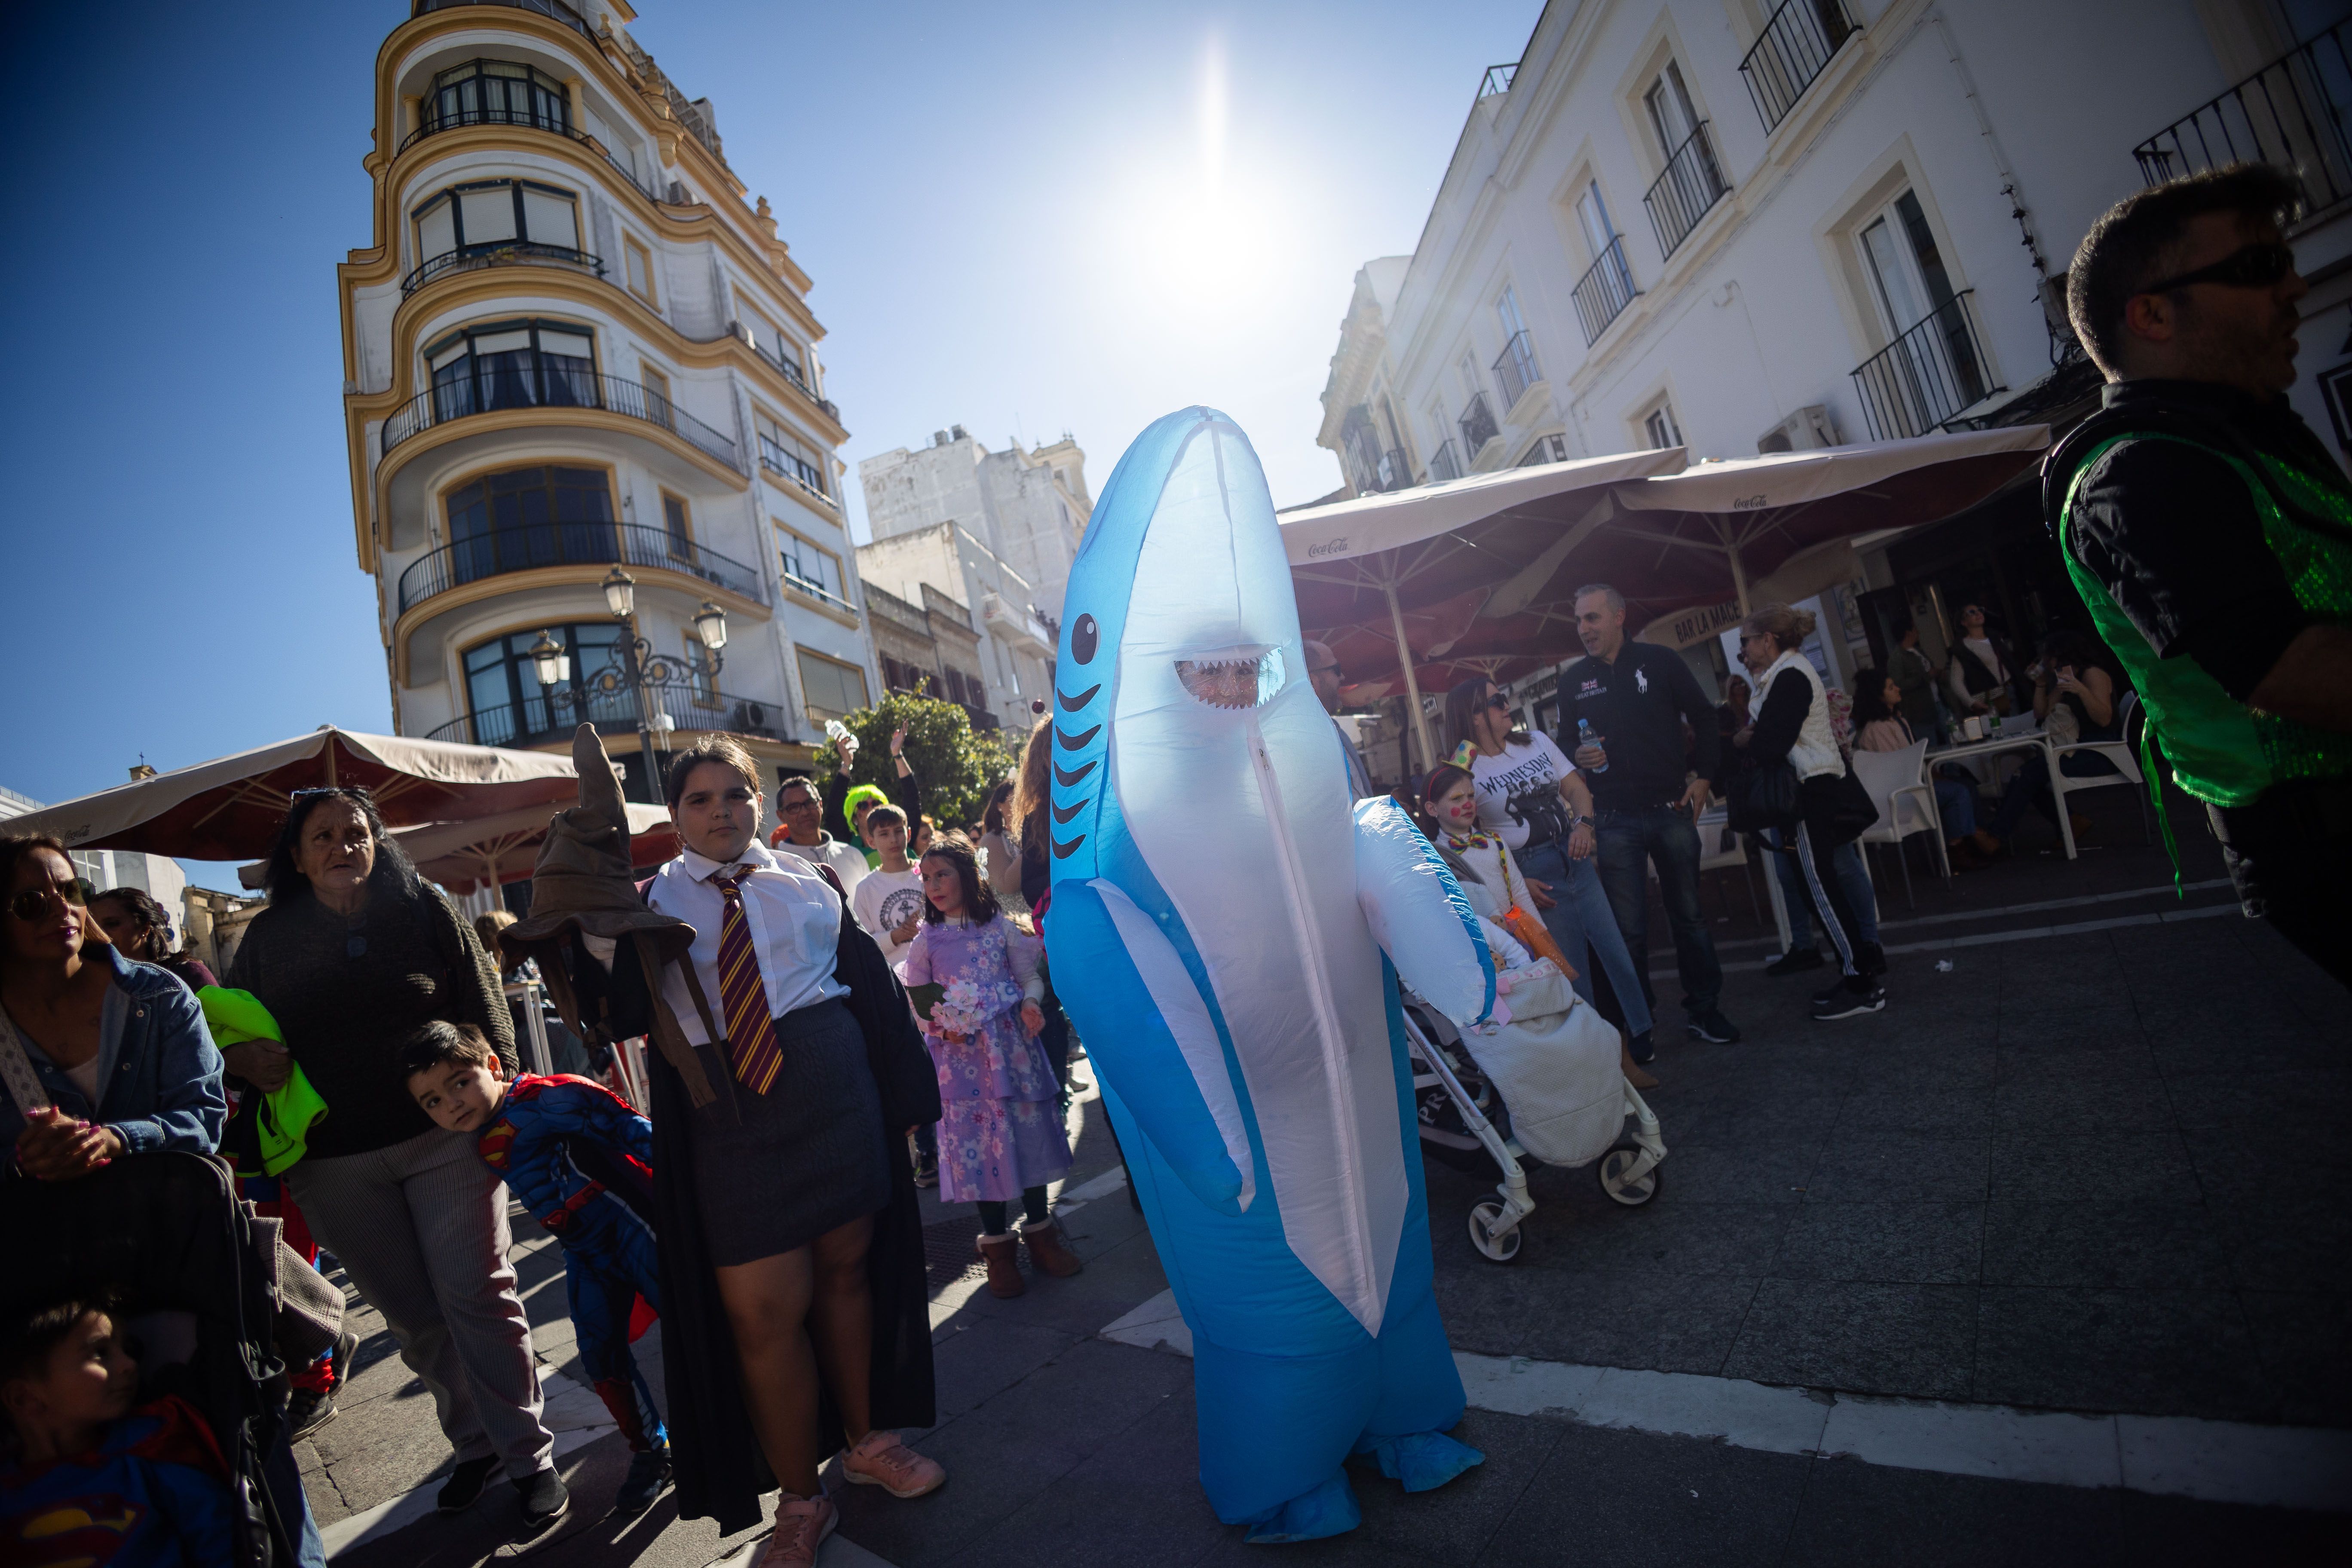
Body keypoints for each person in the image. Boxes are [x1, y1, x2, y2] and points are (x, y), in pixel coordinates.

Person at [221, 789, 564, 1529]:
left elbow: (484, 997)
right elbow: (225, 1026)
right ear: (297, 855)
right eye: (322, 836)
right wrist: (245, 1057)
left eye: (357, 832)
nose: (343, 845)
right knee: (413, 1314)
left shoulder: (423, 906)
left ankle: (529, 1454)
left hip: (445, 1138)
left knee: (476, 1287)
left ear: (378, 840)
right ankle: (473, 1442)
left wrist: (502, 1091)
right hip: (332, 1161)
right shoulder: (266, 940)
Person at [639, 736, 944, 1562]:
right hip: (730, 1124)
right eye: (700, 798)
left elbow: (870, 986)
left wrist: (907, 1097)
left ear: (757, 803)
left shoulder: (808, 878)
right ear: (675, 815)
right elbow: (612, 1005)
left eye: (735, 794)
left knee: (847, 1276)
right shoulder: (642, 902)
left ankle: (866, 1441)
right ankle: (801, 1501)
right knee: (762, 1313)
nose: (721, 811)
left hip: (835, 1095)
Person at [2050, 164, 2352, 983]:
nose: (2292, 285)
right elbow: (2281, 666)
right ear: (2148, 314)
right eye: (2257, 269)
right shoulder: (2137, 472)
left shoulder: (2240, 432)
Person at [401, 1021, 672, 1519]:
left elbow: (647, 1138)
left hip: (630, 1224)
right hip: (584, 1250)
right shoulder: (480, 1138)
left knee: (699, 1329)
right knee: (599, 1354)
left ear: (493, 1066)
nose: (452, 1103)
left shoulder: (554, 1098)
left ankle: (744, 1424)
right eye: (433, 1101)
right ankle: (653, 1452)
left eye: (459, 1082)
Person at [1438, 677, 1655, 1065]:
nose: (1507, 706)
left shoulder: (1536, 740)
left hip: (1573, 856)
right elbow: (1463, 834)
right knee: (1567, 966)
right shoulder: (1466, 766)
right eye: (1495, 702)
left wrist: (1585, 824)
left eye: (1503, 698)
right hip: (1531, 869)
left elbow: (1577, 789)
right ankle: (1599, 1052)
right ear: (1471, 717)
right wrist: (1515, 883)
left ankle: (1640, 1033)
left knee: (1614, 949)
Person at [1559, 584, 1740, 1044]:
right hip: (1613, 819)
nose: (1584, 629)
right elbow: (1561, 746)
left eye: (1592, 618)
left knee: (1690, 918)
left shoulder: (1660, 661)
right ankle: (1639, 1024)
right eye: (1579, 621)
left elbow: (1705, 716)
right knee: (1629, 932)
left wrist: (1705, 776)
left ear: (1620, 617)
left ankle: (1704, 1009)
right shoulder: (1574, 679)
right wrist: (1578, 754)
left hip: (1670, 808)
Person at [900, 835, 1078, 1298]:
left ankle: (1042, 1234)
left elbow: (1028, 976)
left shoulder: (999, 928)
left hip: (1014, 1055)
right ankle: (998, 1251)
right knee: (982, 1150)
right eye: (929, 877)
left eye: (945, 874)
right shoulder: (927, 941)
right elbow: (919, 998)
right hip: (963, 1067)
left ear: (968, 877)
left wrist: (1032, 1004)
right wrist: (943, 1026)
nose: (935, 885)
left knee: (1027, 1141)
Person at [2, 834, 226, 1180]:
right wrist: (22, 1163)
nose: (64, 910)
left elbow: (204, 1116)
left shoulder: (159, 995)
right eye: (31, 903)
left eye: (72, 891)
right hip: (42, 1232)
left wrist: (116, 1139)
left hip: (164, 1223)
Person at [1, 1296, 236, 1565]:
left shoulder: (151, 1453)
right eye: (100, 1353)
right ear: (24, 1398)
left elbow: (223, 1541)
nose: (130, 1364)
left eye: (128, 1349)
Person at [1734, 607, 1886, 1019]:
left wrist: (1744, 740)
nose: (1742, 651)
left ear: (1768, 639)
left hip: (1809, 788)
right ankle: (1859, 967)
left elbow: (1771, 742)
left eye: (1745, 642)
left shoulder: (1790, 677)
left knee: (1820, 884)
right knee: (1821, 881)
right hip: (1814, 786)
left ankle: (1860, 983)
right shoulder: (1787, 674)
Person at [1987, 631, 2124, 851]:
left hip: (2101, 750)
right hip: (2077, 749)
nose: (2048, 663)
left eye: (2049, 657)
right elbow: (2041, 713)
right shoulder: (2066, 677)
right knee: (2026, 776)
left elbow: (2104, 718)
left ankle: (1995, 837)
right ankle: (2071, 822)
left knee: (2029, 774)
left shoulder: (2092, 674)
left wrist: (2081, 691)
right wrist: (2042, 684)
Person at [1851, 667, 1998, 870]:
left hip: (1913, 781)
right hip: (1901, 792)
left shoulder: (1897, 720)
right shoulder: (1877, 729)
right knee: (1958, 792)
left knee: (1967, 785)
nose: (1898, 689)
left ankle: (1973, 840)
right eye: (1891, 687)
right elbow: (1895, 769)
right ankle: (1957, 848)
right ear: (1879, 697)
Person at [86, 888, 215, 994]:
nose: (99, 933)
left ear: (145, 929)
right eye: (92, 927)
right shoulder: (92, 981)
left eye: (112, 924)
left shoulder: (188, 973)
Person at [849, 805, 926, 972]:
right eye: (884, 834)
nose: (893, 839)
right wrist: (896, 936)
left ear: (909, 834)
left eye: (899, 831)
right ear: (871, 841)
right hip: (894, 977)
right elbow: (863, 945)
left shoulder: (930, 873)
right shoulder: (866, 888)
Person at [771, 774, 869, 897]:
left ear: (821, 805)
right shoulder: (775, 868)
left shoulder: (853, 855)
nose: (805, 812)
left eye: (810, 803)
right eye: (794, 808)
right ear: (781, 816)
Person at [1305, 639, 1375, 798]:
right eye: (1336, 670)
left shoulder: (1334, 729)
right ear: (1312, 681)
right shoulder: (1298, 741)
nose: (1342, 677)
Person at [1944, 603, 2018, 718]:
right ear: (1964, 622)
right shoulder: (1963, 648)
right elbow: (1956, 681)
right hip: (1991, 699)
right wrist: (1971, 703)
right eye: (1972, 613)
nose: (1978, 613)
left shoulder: (1995, 637)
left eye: (1979, 610)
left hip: (2011, 690)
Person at [976, 782, 1026, 913]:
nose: (1022, 805)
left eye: (1025, 798)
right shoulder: (991, 840)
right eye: (1015, 800)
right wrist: (1032, 845)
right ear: (999, 806)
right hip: (1011, 924)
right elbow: (1007, 885)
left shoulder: (1034, 837)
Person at [1889, 625, 1940, 733]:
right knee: (1931, 743)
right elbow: (1899, 684)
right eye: (1915, 630)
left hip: (1937, 702)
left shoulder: (1918, 650)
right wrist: (1926, 677)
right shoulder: (1897, 658)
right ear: (1908, 633)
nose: (1918, 632)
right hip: (1920, 711)